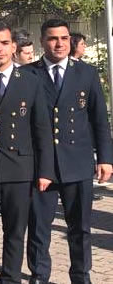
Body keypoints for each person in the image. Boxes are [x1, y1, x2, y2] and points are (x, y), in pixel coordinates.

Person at [25, 19, 113, 284]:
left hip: (78, 162)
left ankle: (81, 276)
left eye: (64, 38)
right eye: (53, 38)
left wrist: (105, 158)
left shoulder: (86, 72)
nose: (59, 44)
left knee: (80, 228)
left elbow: (99, 119)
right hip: (42, 166)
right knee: (39, 228)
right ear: (42, 41)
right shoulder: (28, 74)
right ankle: (39, 276)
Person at [0, 21, 54, 284]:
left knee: (15, 232)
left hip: (20, 168)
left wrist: (45, 171)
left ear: (13, 47)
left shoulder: (30, 82)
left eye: (4, 43)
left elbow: (41, 129)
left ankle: (10, 278)